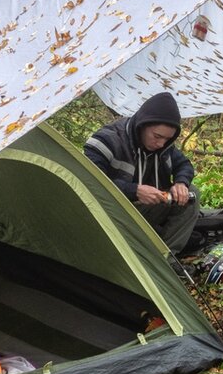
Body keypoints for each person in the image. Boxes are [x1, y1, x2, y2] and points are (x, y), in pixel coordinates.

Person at [84, 92, 198, 254]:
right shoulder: (106, 141)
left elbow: (184, 164)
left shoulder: (164, 147)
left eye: (167, 139)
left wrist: (181, 182)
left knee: (192, 194)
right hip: (109, 214)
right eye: (157, 136)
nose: (161, 144)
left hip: (146, 210)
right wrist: (135, 191)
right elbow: (89, 182)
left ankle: (164, 259)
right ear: (143, 124)